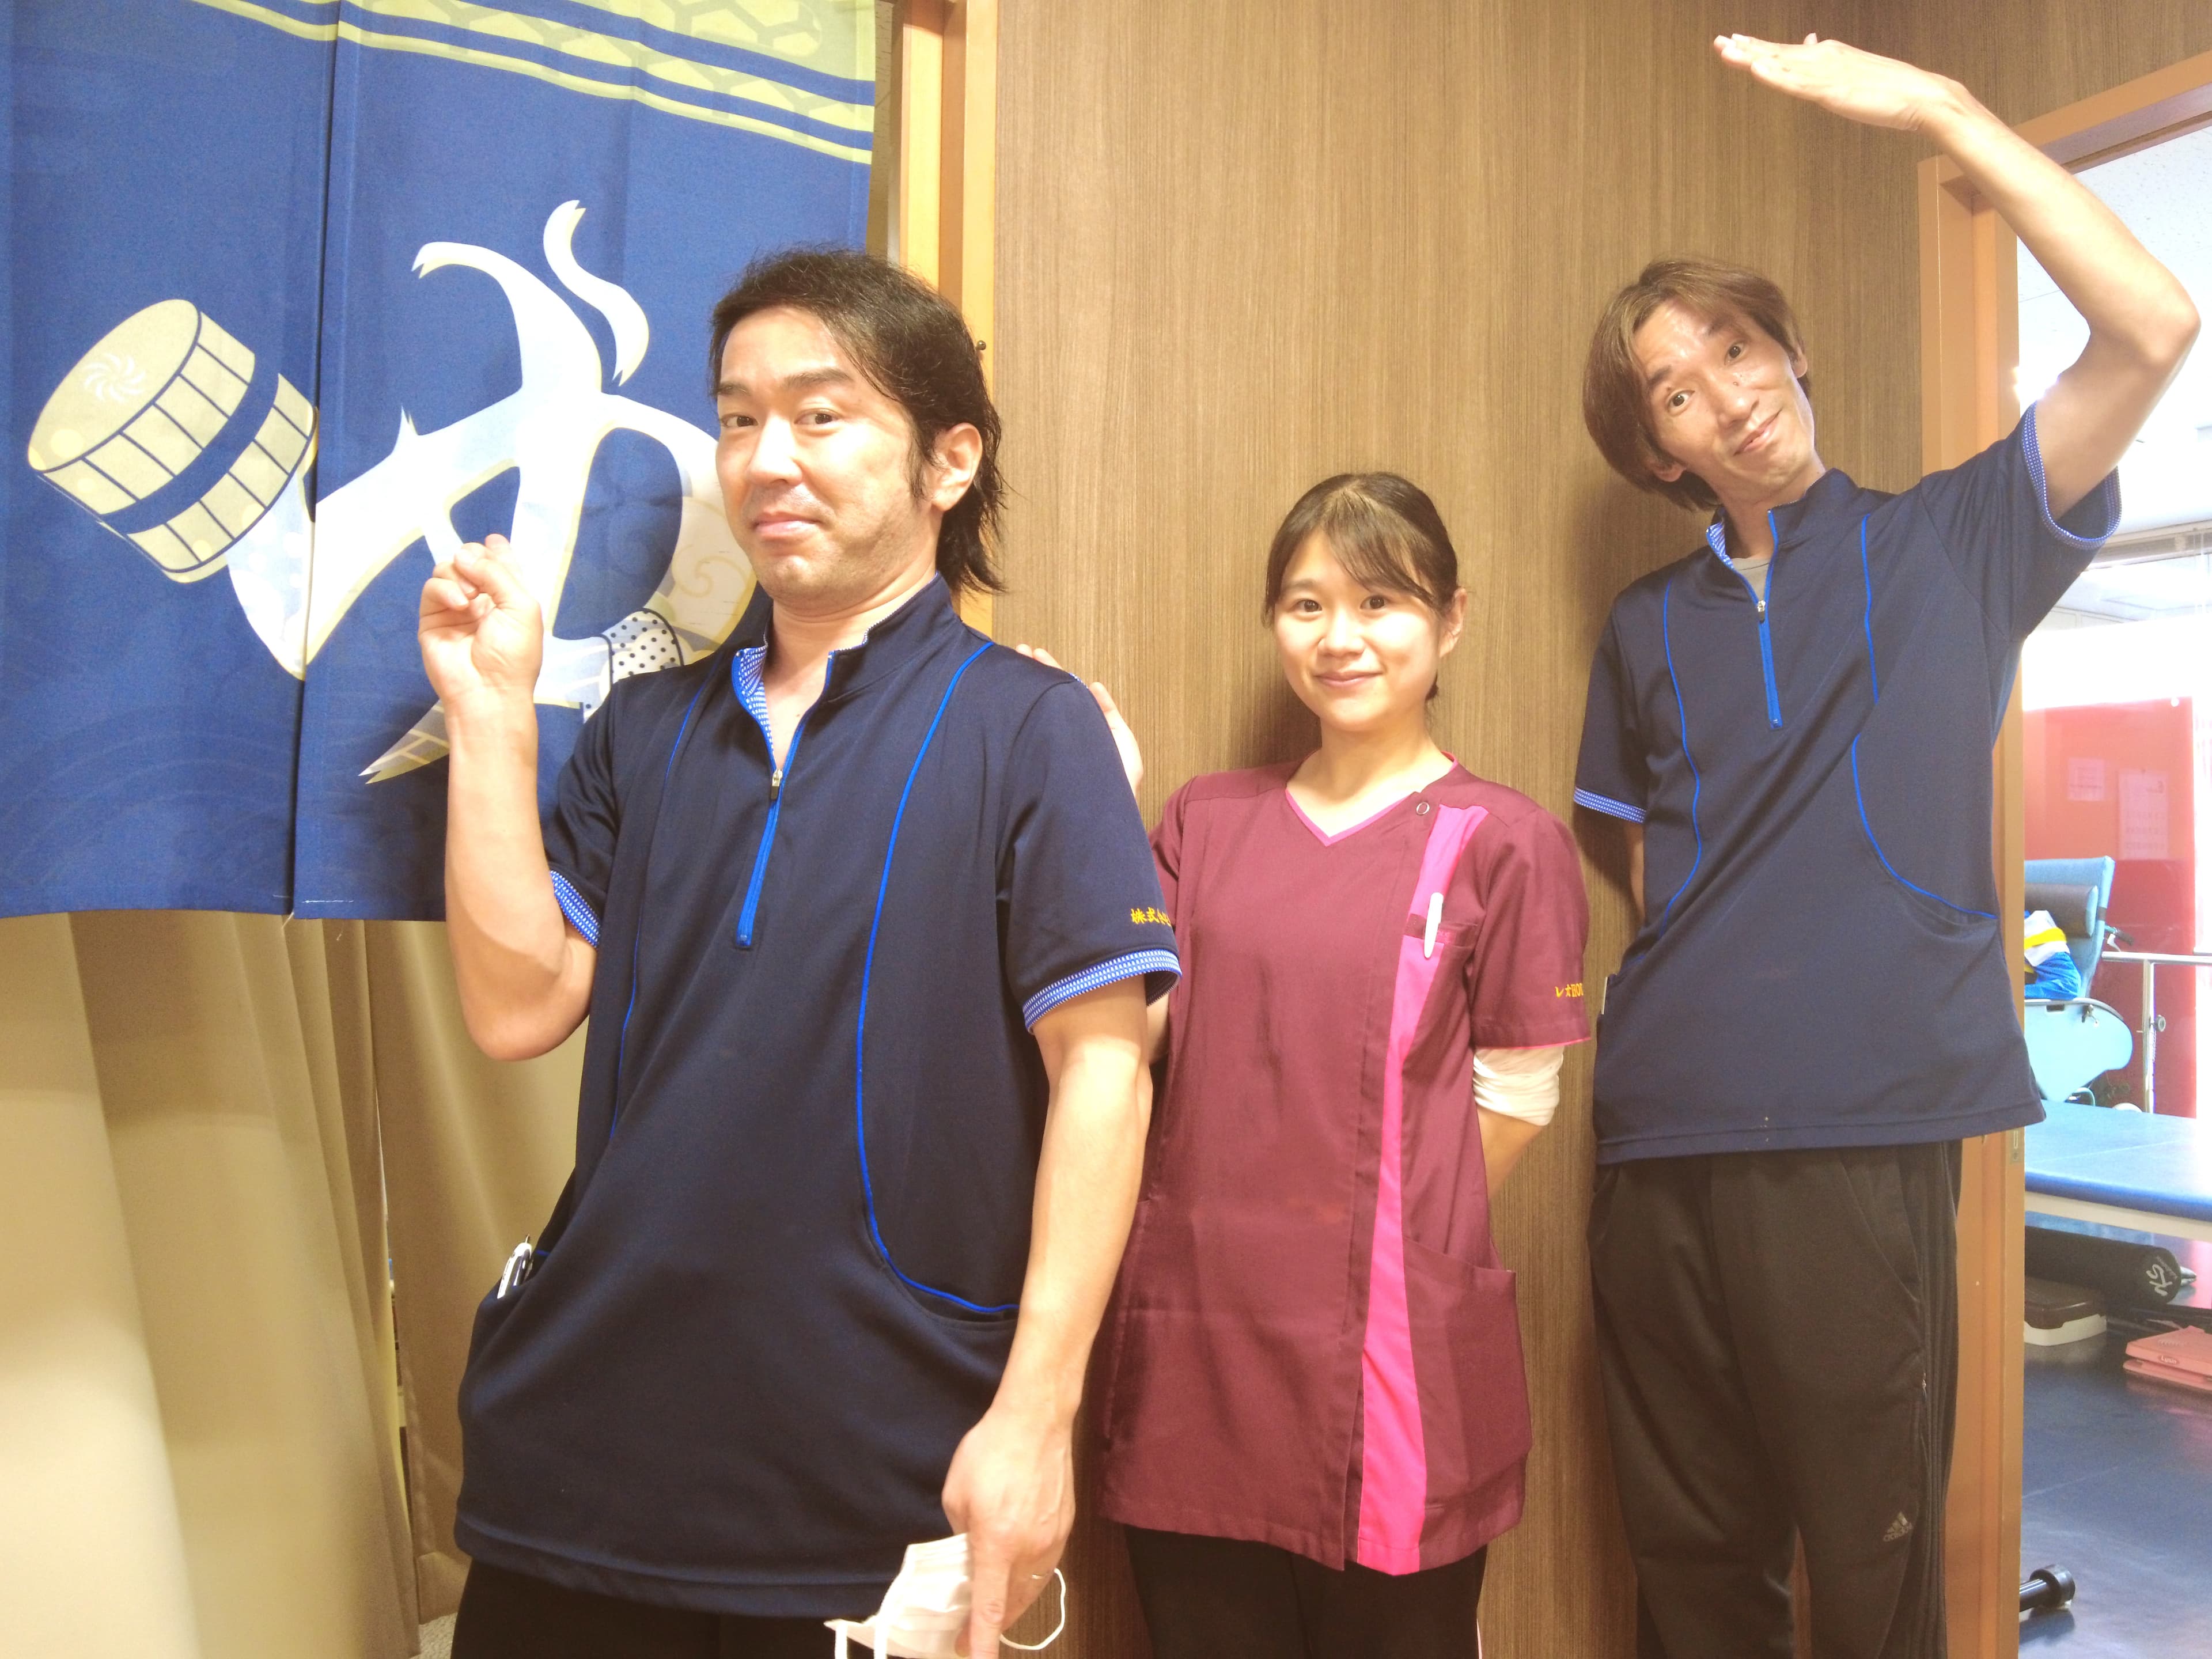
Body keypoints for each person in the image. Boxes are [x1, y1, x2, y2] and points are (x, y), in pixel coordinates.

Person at [417, 249, 1178, 1659]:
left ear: (949, 461)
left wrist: (1035, 1417)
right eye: (739, 417)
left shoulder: (1032, 728)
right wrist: (491, 715)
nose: (768, 458)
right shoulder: (647, 729)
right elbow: (518, 1005)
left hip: (862, 1482)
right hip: (580, 1461)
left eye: (822, 416)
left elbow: (1103, 1075)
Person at [1572, 34, 2198, 1659]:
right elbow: (1645, 879)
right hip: (1659, 1137)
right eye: (1679, 387)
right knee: (1690, 1563)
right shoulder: (1645, 626)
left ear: (1791, 350)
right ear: (1661, 453)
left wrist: (1942, 110)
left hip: (1864, 1126)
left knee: (1875, 1561)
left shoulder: (1953, 542)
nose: (1728, 389)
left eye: (1736, 345)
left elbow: (2154, 325)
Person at [1040, 474, 1591, 1658]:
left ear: (1450, 620)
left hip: (1393, 1373)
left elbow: (1519, 1095)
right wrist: (1095, 801)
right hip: (1196, 1348)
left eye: (1381, 601)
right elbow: (1126, 1040)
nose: (1341, 637)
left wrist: (1386, 1239)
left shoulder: (1503, 840)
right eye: (1306, 605)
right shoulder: (1202, 822)